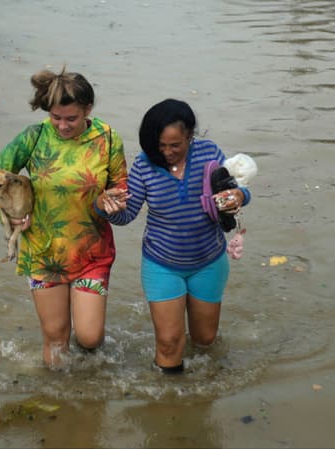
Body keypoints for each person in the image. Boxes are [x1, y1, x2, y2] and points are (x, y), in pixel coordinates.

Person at [97, 99, 250, 374]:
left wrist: (239, 195)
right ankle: (170, 403)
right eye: (161, 146)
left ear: (190, 136)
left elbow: (237, 190)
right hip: (161, 264)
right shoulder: (144, 165)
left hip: (208, 261)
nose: (167, 152)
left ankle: (202, 393)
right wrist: (104, 206)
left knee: (205, 340)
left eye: (175, 145)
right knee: (168, 343)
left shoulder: (210, 153)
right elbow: (127, 215)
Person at [0, 68, 127, 368]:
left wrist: (110, 203)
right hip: (43, 251)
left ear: (87, 110)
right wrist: (13, 216)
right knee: (55, 337)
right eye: (56, 117)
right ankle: (58, 405)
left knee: (90, 337)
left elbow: (121, 187)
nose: (62, 126)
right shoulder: (34, 137)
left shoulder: (107, 138)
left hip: (92, 251)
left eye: (71, 119)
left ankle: (91, 380)